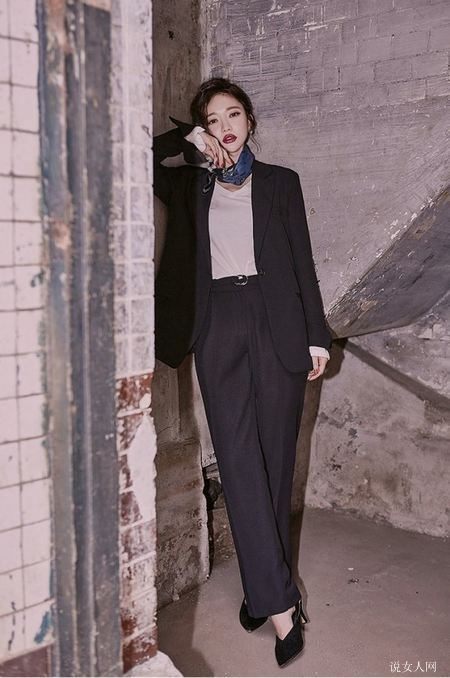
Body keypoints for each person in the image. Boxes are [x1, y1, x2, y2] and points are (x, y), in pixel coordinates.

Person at [153, 77, 332, 668]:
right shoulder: (189, 184)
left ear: (250, 120)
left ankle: (260, 590)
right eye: (213, 118)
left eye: (233, 114)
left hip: (278, 321)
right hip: (218, 323)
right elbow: (140, 157)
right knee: (237, 461)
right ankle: (280, 605)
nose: (225, 126)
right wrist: (189, 140)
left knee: (276, 462)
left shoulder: (282, 182)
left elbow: (302, 261)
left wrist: (316, 336)